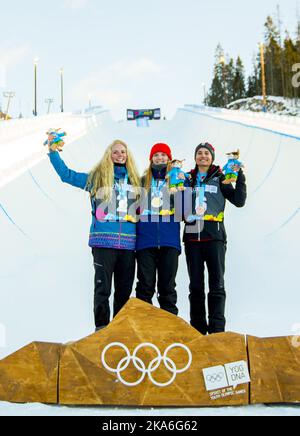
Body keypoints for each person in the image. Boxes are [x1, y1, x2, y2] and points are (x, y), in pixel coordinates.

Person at [47, 139, 140, 331]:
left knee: (124, 292)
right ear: (109, 155)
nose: (120, 155)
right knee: (103, 289)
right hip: (103, 242)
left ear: (127, 155)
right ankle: (102, 329)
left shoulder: (136, 181)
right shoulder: (97, 179)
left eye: (123, 151)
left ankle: (120, 331)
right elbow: (67, 176)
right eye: (115, 152)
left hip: (129, 246)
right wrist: (53, 153)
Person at [183, 142, 247, 335]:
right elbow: (179, 208)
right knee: (195, 286)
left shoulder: (220, 178)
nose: (203, 156)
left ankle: (217, 330)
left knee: (216, 284)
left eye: (206, 153)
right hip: (192, 237)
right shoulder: (187, 178)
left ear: (212, 157)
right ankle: (198, 329)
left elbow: (239, 201)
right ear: (195, 157)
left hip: (215, 237)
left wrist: (240, 176)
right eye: (199, 153)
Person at [135, 143, 183, 316]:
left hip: (169, 241)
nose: (160, 158)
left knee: (167, 288)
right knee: (144, 287)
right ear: (151, 159)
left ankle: (169, 330)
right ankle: (142, 328)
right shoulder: (141, 182)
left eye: (164, 155)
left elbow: (183, 211)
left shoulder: (177, 181)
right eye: (156, 155)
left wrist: (180, 190)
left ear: (170, 159)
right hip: (145, 242)